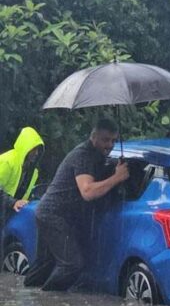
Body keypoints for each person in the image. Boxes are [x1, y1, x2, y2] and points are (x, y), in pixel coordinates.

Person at [24, 118, 129, 291]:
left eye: (113, 140)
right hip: (53, 215)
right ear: (93, 137)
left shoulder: (98, 157)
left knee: (45, 266)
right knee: (71, 265)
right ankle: (45, 304)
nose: (110, 145)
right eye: (105, 140)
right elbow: (87, 192)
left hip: (50, 213)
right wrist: (117, 178)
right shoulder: (83, 155)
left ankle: (24, 300)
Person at [0, 126, 45, 220]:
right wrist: (12, 202)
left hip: (9, 214)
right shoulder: (8, 161)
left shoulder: (33, 171)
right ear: (26, 147)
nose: (36, 153)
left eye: (38, 150)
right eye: (34, 149)